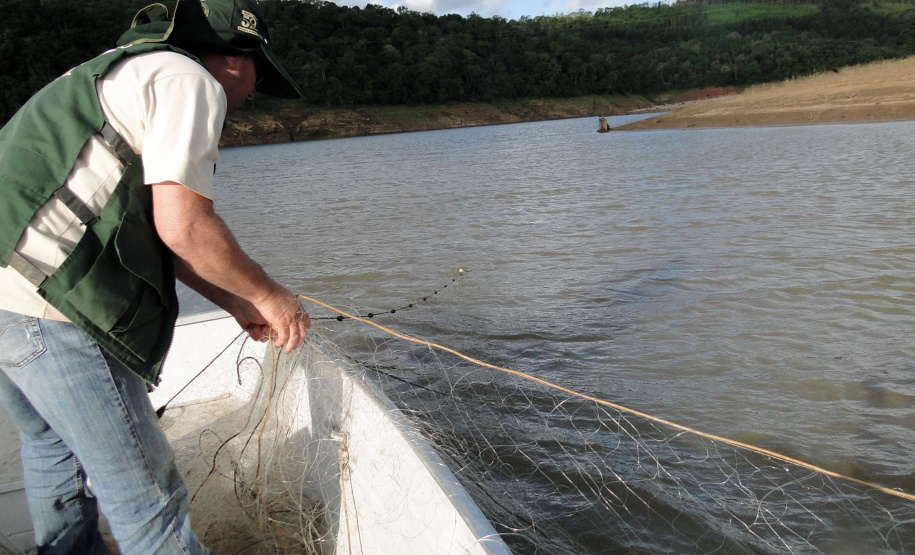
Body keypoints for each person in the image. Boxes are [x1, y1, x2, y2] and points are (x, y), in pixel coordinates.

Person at [0, 0, 309, 552]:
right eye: (259, 79)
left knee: (51, 449)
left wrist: (239, 302)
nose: (253, 95)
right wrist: (271, 295)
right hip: (54, 310)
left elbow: (162, 236)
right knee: (148, 499)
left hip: (9, 297)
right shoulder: (188, 80)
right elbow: (185, 228)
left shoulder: (123, 65)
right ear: (238, 61)